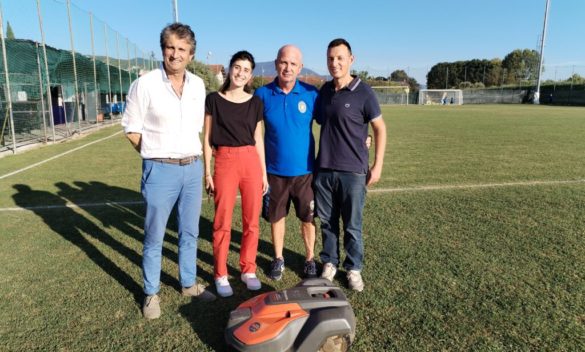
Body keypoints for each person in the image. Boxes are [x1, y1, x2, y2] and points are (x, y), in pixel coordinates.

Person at [122, 23, 216, 320]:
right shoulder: (146, 83)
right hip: (159, 170)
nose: (175, 54)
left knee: (190, 232)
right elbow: (131, 128)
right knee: (154, 236)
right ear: (163, 49)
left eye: (182, 49)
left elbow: (201, 129)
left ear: (191, 54)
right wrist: (154, 155)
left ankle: (188, 283)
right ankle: (151, 292)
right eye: (170, 47)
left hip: (192, 168)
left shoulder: (199, 85)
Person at [313, 38, 387, 292]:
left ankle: (353, 268)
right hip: (324, 170)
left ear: (351, 60)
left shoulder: (364, 92)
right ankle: (330, 263)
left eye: (340, 58)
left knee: (352, 225)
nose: (335, 63)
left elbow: (379, 128)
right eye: (331, 58)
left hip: (353, 172)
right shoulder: (324, 91)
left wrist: (377, 166)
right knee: (327, 222)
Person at [203, 50, 268, 297]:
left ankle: (248, 269)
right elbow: (207, 139)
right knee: (222, 221)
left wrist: (263, 173)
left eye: (246, 70)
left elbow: (258, 139)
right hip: (225, 161)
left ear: (251, 75)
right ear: (230, 68)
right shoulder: (214, 100)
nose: (241, 73)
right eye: (237, 67)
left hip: (251, 161)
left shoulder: (255, 103)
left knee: (252, 220)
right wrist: (207, 171)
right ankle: (220, 273)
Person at [254, 45, 319, 281]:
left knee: (308, 219)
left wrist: (364, 136)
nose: (287, 67)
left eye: (293, 63)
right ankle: (278, 258)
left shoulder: (312, 94)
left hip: (305, 172)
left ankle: (310, 259)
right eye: (284, 62)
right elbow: (249, 129)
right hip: (273, 173)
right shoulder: (262, 94)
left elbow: (335, 122)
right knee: (276, 217)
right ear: (276, 63)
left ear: (300, 67)